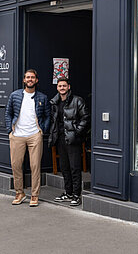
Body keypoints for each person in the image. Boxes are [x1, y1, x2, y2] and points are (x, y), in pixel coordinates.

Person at [5, 69, 50, 207]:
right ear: (24, 80)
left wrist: (42, 130)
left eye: (32, 77)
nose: (30, 79)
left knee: (35, 166)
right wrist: (9, 131)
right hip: (17, 135)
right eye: (27, 77)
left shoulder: (42, 97)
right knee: (16, 165)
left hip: (34, 135)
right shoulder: (15, 95)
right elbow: (8, 113)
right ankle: (20, 193)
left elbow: (48, 115)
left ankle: (34, 195)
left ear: (36, 80)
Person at [48, 78, 90, 206]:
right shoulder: (54, 102)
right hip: (60, 138)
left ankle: (77, 195)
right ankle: (68, 193)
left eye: (64, 86)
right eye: (60, 86)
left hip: (73, 139)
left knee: (74, 168)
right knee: (65, 168)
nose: (62, 88)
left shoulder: (77, 100)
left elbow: (85, 118)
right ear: (57, 88)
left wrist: (76, 132)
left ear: (69, 87)